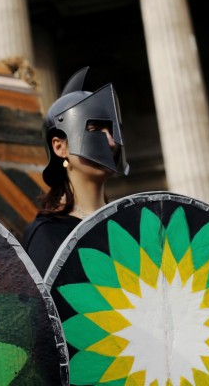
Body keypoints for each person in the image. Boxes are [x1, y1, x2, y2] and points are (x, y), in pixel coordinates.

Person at [21, 67, 128, 275]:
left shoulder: (130, 226)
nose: (110, 142)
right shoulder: (47, 234)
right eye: (95, 130)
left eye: (111, 130)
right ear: (59, 147)